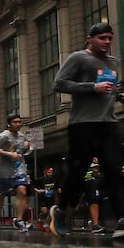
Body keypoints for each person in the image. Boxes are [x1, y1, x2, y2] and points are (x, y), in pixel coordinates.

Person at [51, 22, 124, 238]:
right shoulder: (79, 58)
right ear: (90, 39)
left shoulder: (113, 62)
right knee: (77, 174)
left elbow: (111, 87)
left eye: (110, 38)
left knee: (114, 171)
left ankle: (121, 219)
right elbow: (59, 83)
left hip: (108, 123)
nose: (107, 42)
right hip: (82, 124)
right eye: (102, 38)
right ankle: (61, 210)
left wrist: (118, 94)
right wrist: (92, 87)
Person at [0, 113, 32, 233]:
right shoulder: (3, 136)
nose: (18, 124)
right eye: (15, 122)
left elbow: (22, 151)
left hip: (18, 168)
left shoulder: (22, 137)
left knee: (22, 190)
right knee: (1, 195)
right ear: (8, 124)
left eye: (19, 122)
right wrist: (9, 154)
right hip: (3, 171)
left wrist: (27, 147)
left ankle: (19, 219)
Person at [33, 166, 58, 232]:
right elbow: (34, 186)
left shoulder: (54, 179)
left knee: (50, 212)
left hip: (51, 198)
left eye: (51, 172)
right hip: (42, 198)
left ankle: (46, 224)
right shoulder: (40, 180)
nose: (50, 174)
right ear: (45, 173)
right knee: (44, 211)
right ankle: (40, 220)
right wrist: (38, 191)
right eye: (48, 172)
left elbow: (57, 188)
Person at [83, 162, 105, 234]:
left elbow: (102, 186)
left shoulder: (100, 177)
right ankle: (94, 224)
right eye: (94, 167)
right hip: (89, 195)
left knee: (97, 207)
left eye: (97, 167)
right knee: (92, 205)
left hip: (98, 195)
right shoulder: (88, 177)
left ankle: (94, 223)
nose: (96, 168)